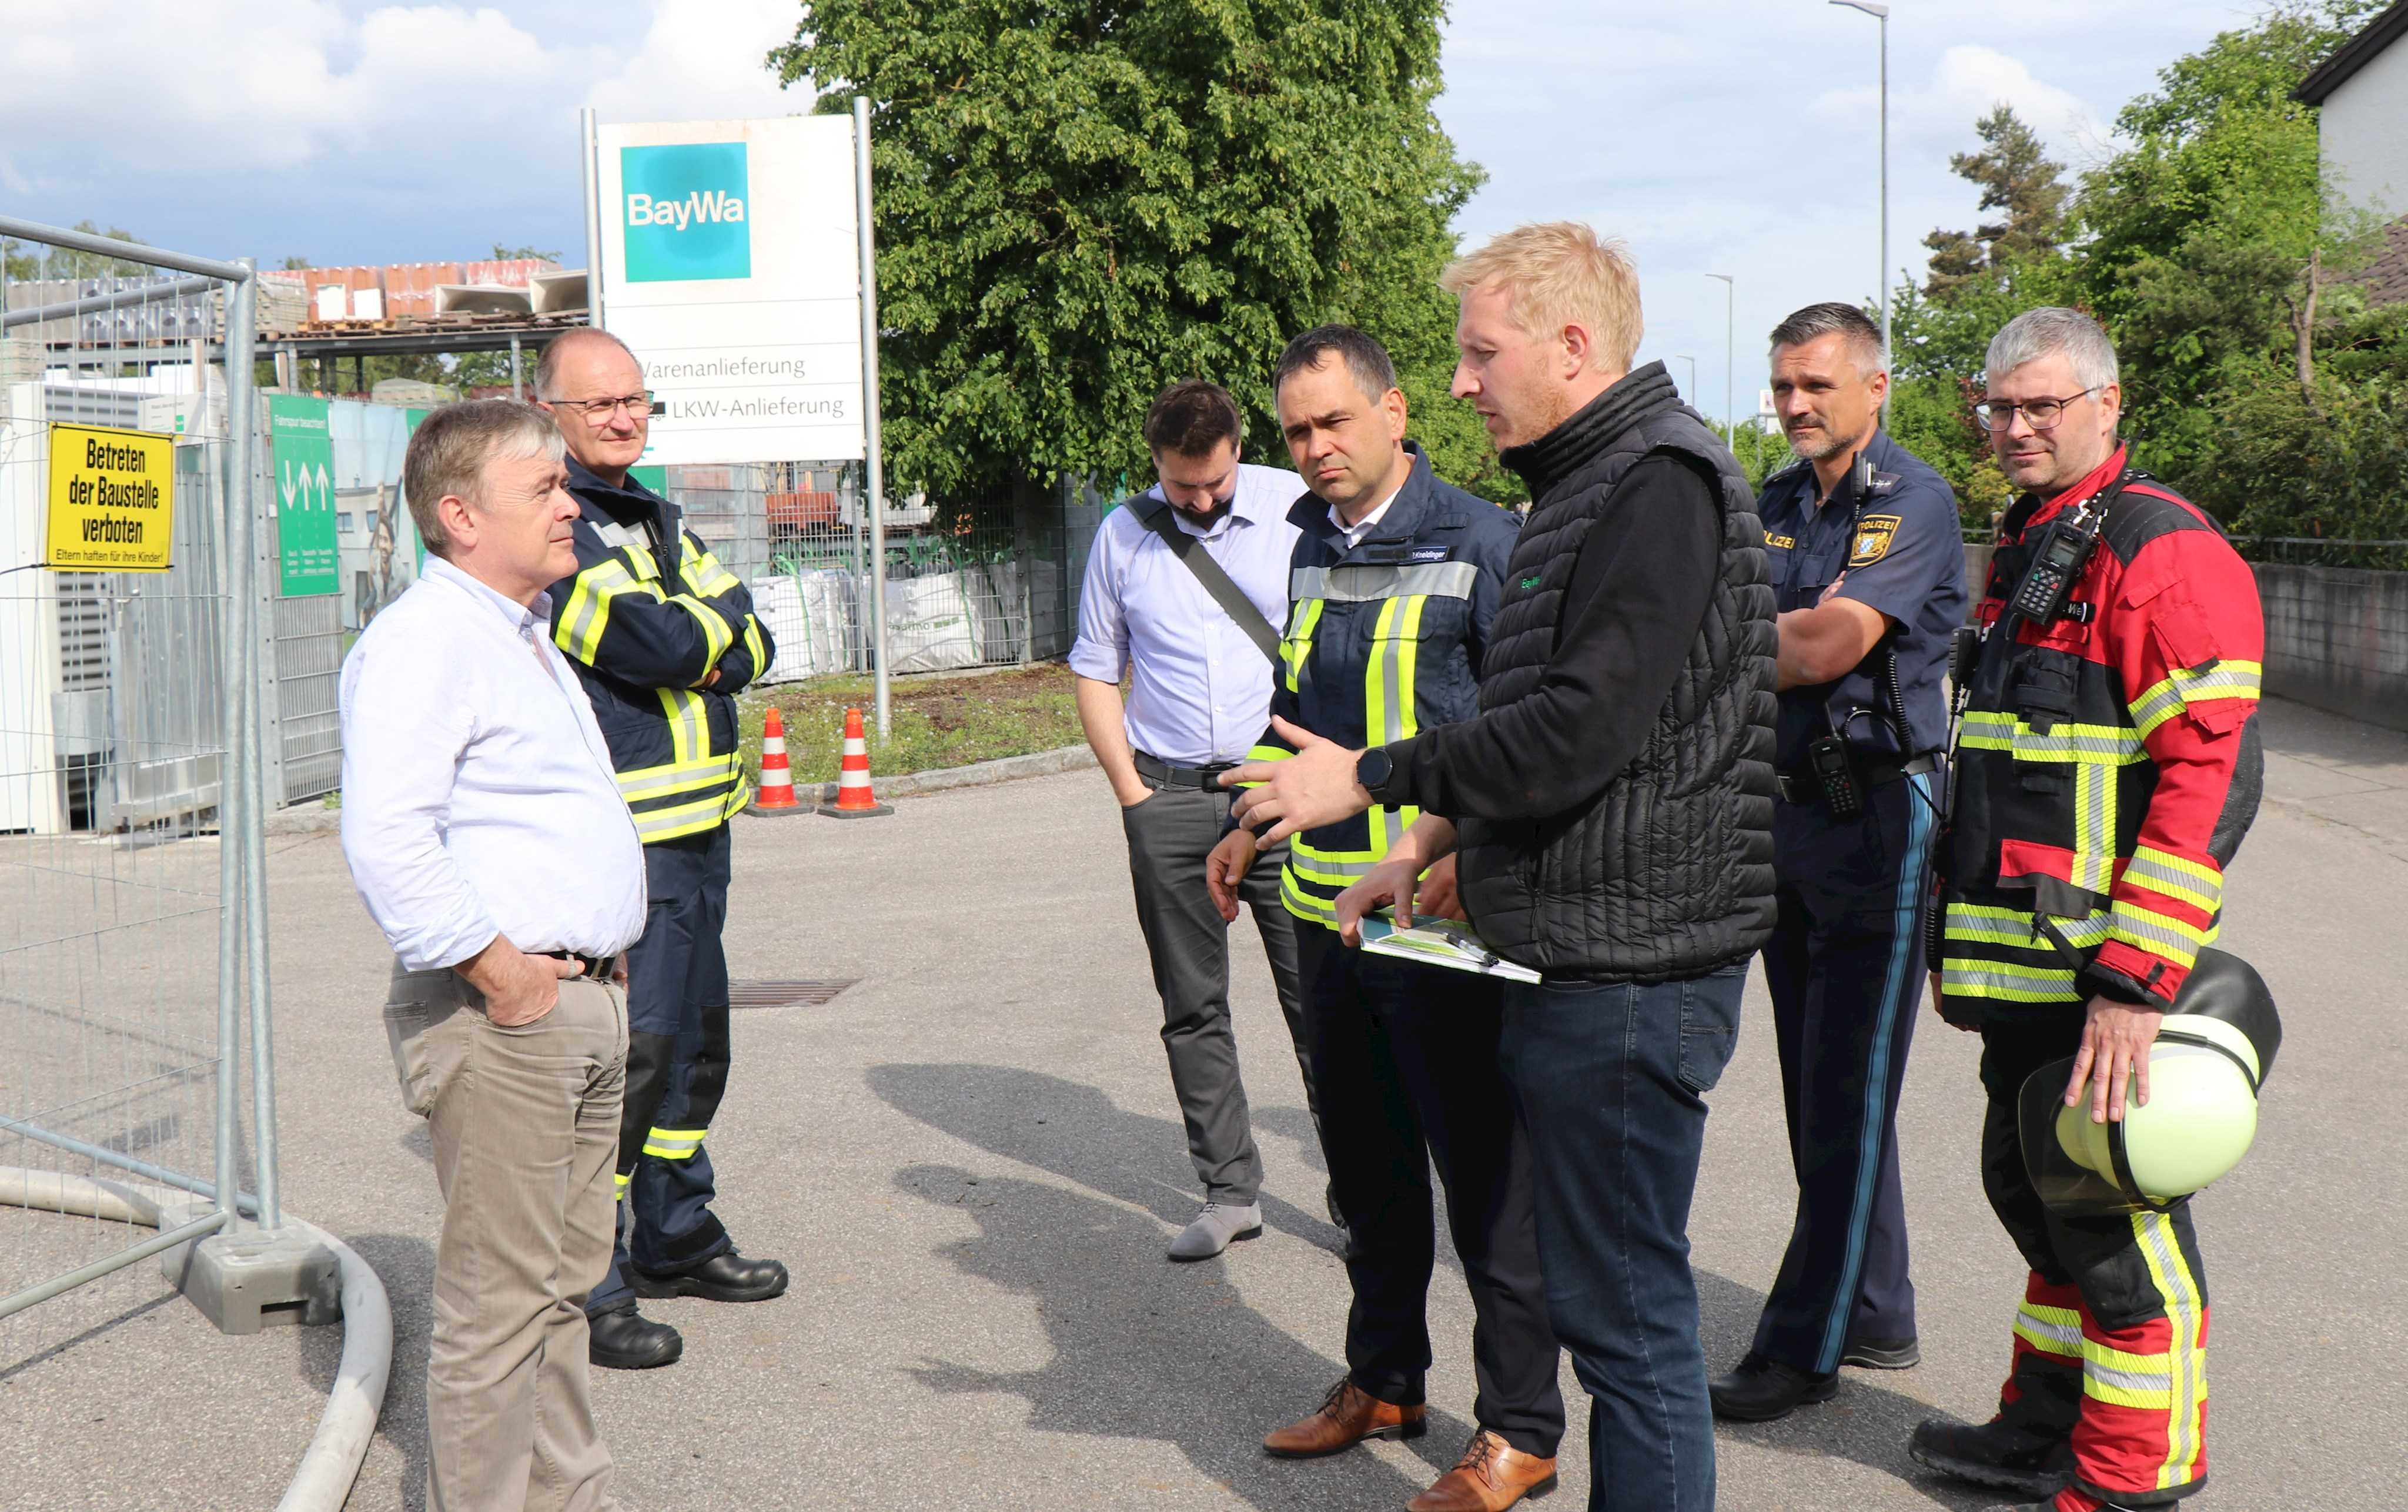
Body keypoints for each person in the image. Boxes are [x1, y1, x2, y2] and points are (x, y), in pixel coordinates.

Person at [1229, 223, 1778, 1512]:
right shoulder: (1585, 486)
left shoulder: (1656, 484)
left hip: (1636, 965)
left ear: (1571, 345)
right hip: (1578, 946)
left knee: (1627, 1322)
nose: (1463, 381)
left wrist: (1367, 780)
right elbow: (1542, 714)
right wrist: (1434, 842)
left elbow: (1579, 729)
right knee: (1604, 1303)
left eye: (1482, 353)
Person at [1908, 307, 2262, 1512]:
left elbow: (2206, 783)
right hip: (2019, 969)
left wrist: (2130, 983)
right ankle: (2042, 1424)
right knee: (2035, 1196)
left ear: (2104, 406)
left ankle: (2130, 1475)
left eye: (2038, 406)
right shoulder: (2035, 543)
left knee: (2111, 1223)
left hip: (2093, 978)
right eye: (1996, 407)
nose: (2010, 427)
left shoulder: (2156, 551)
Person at [1209, 326, 1560, 1512]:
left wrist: (1459, 849)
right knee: (1367, 1174)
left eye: (1332, 423)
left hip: (1440, 923)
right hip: (1328, 920)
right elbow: (1299, 710)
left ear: (1394, 413)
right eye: (1297, 431)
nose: (1313, 448)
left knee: (1484, 1185)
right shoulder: (1308, 546)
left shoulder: (1481, 541)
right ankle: (1385, 1380)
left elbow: (1521, 735)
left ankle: (1519, 1426)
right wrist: (1245, 822)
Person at [339, 399, 644, 1511]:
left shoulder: (514, 633)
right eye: (546, 491)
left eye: (566, 486)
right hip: (505, 1016)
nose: (573, 507)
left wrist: (603, 957)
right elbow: (387, 838)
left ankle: (569, 1496)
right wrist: (508, 974)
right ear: (461, 516)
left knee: (561, 1296)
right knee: (500, 1312)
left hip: (573, 1004)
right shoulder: (426, 643)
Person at [1707, 303, 1966, 1421]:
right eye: (1782, 386)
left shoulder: (1910, 501)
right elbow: (1743, 613)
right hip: (1788, 816)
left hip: (1879, 822)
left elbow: (1824, 643)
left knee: (1849, 1089)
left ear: (1876, 387)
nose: (1797, 405)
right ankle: (1878, 1307)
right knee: (1824, 1087)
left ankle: (1800, 1346)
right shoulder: (1767, 504)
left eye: (1816, 384)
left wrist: (1696, 650)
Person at [533, 328, 787, 1371]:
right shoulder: (557, 527)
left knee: (691, 1050)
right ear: (548, 412)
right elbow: (669, 645)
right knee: (627, 1064)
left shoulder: (653, 515)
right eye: (601, 406)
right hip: (627, 846)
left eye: (638, 401)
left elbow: (754, 634)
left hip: (697, 834)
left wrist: (707, 638)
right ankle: (590, 1281)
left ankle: (677, 1236)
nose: (626, 420)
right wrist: (706, 639)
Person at [1068, 379, 1318, 1261]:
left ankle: (1365, 1197)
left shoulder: (1297, 508)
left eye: (1215, 483)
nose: (1204, 501)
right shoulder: (1124, 535)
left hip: (1283, 795)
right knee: (1192, 1008)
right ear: (1157, 467)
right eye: (1184, 488)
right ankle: (1228, 1191)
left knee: (1322, 1002)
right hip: (1169, 797)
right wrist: (1132, 797)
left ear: (1240, 449)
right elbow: (1097, 669)